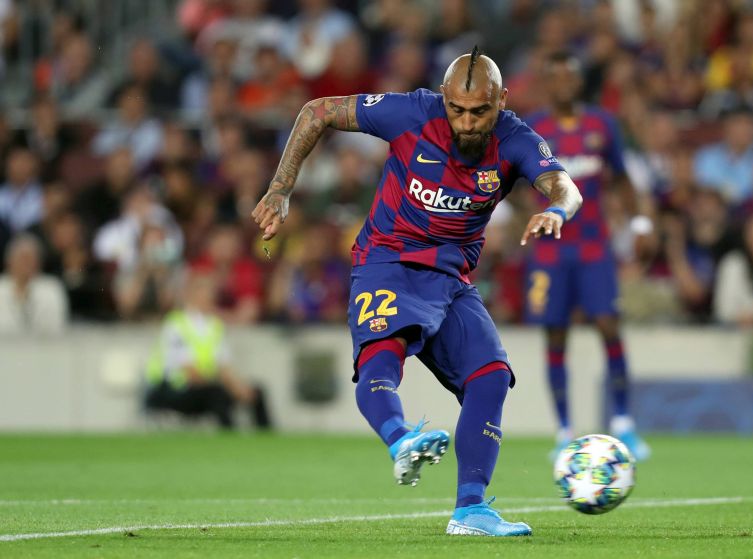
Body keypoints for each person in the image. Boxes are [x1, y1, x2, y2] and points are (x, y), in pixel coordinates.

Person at [252, 47, 582, 537]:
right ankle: (400, 438)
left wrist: (555, 210)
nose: (466, 123)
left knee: (491, 378)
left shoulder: (515, 140)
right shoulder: (410, 113)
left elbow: (566, 187)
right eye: (456, 109)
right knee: (384, 349)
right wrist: (281, 188)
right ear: (443, 97)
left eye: (479, 111)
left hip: (450, 279)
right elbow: (318, 111)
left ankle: (470, 511)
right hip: (388, 261)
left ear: (502, 100)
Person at [523, 52, 650, 461]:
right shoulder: (533, 130)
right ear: (547, 84)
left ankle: (624, 424)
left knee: (609, 325)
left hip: (594, 246)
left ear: (579, 82)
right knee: (554, 334)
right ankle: (564, 431)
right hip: (550, 248)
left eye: (570, 76)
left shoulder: (602, 124)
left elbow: (623, 178)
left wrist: (639, 223)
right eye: (556, 77)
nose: (564, 83)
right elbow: (512, 181)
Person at [144, 272, 272, 429]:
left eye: (210, 292)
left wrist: (240, 388)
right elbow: (189, 370)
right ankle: (230, 436)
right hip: (172, 389)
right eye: (204, 292)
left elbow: (223, 365)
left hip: (205, 386)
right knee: (217, 393)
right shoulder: (176, 324)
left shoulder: (214, 326)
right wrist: (226, 385)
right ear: (191, 295)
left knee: (256, 391)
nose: (209, 297)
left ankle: (267, 437)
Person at [0, 233, 69, 335]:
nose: (26, 264)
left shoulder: (52, 287)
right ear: (9, 261)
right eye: (22, 258)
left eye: (30, 259)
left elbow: (58, 324)